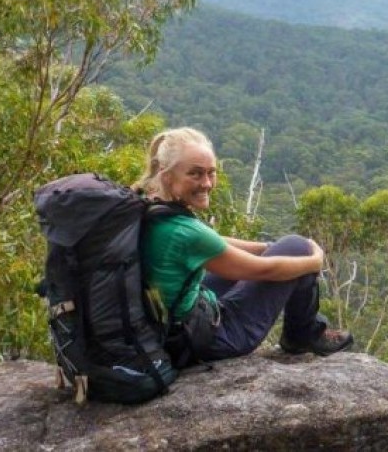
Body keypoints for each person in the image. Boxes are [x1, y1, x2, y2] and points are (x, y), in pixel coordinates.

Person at [134, 127, 353, 365]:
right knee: (298, 246)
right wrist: (313, 261)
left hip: (168, 327)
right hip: (210, 340)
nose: (206, 183)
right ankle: (303, 334)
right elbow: (264, 270)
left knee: (285, 249)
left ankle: (304, 331)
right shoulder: (185, 232)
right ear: (168, 176)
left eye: (211, 173)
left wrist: (268, 246)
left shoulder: (149, 206)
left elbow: (214, 243)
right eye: (195, 174)